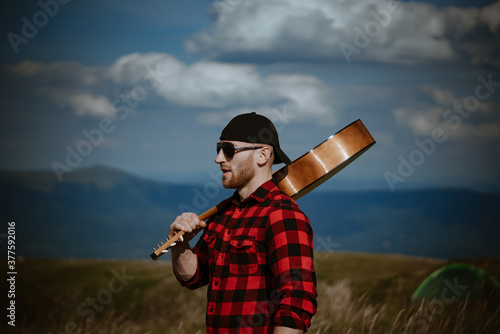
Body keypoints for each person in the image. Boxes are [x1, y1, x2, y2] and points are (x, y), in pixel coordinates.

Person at [169, 112, 317, 333]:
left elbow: (296, 299)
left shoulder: (282, 215)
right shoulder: (222, 215)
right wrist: (179, 243)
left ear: (263, 155)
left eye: (229, 150)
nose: (218, 158)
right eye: (218, 149)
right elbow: (194, 277)